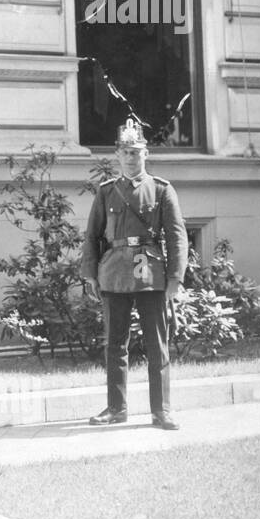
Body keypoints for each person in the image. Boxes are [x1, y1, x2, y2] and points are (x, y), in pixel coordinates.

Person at [80, 118, 188, 430]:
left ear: (146, 153)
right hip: (114, 274)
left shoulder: (162, 190)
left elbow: (177, 236)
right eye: (126, 151)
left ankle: (161, 411)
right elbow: (92, 236)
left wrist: (175, 279)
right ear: (117, 155)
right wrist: (90, 274)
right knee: (115, 344)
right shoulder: (106, 192)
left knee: (157, 345)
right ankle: (117, 408)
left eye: (136, 151)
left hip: (151, 274)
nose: (131, 157)